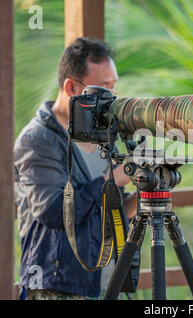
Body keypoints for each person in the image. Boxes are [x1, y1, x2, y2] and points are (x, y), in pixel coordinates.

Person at [14, 37, 137, 300]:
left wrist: (144, 196)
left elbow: (103, 212)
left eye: (114, 87)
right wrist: (113, 179)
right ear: (71, 87)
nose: (112, 98)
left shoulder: (101, 137)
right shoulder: (37, 140)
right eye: (103, 88)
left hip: (103, 285)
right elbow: (54, 211)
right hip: (57, 289)